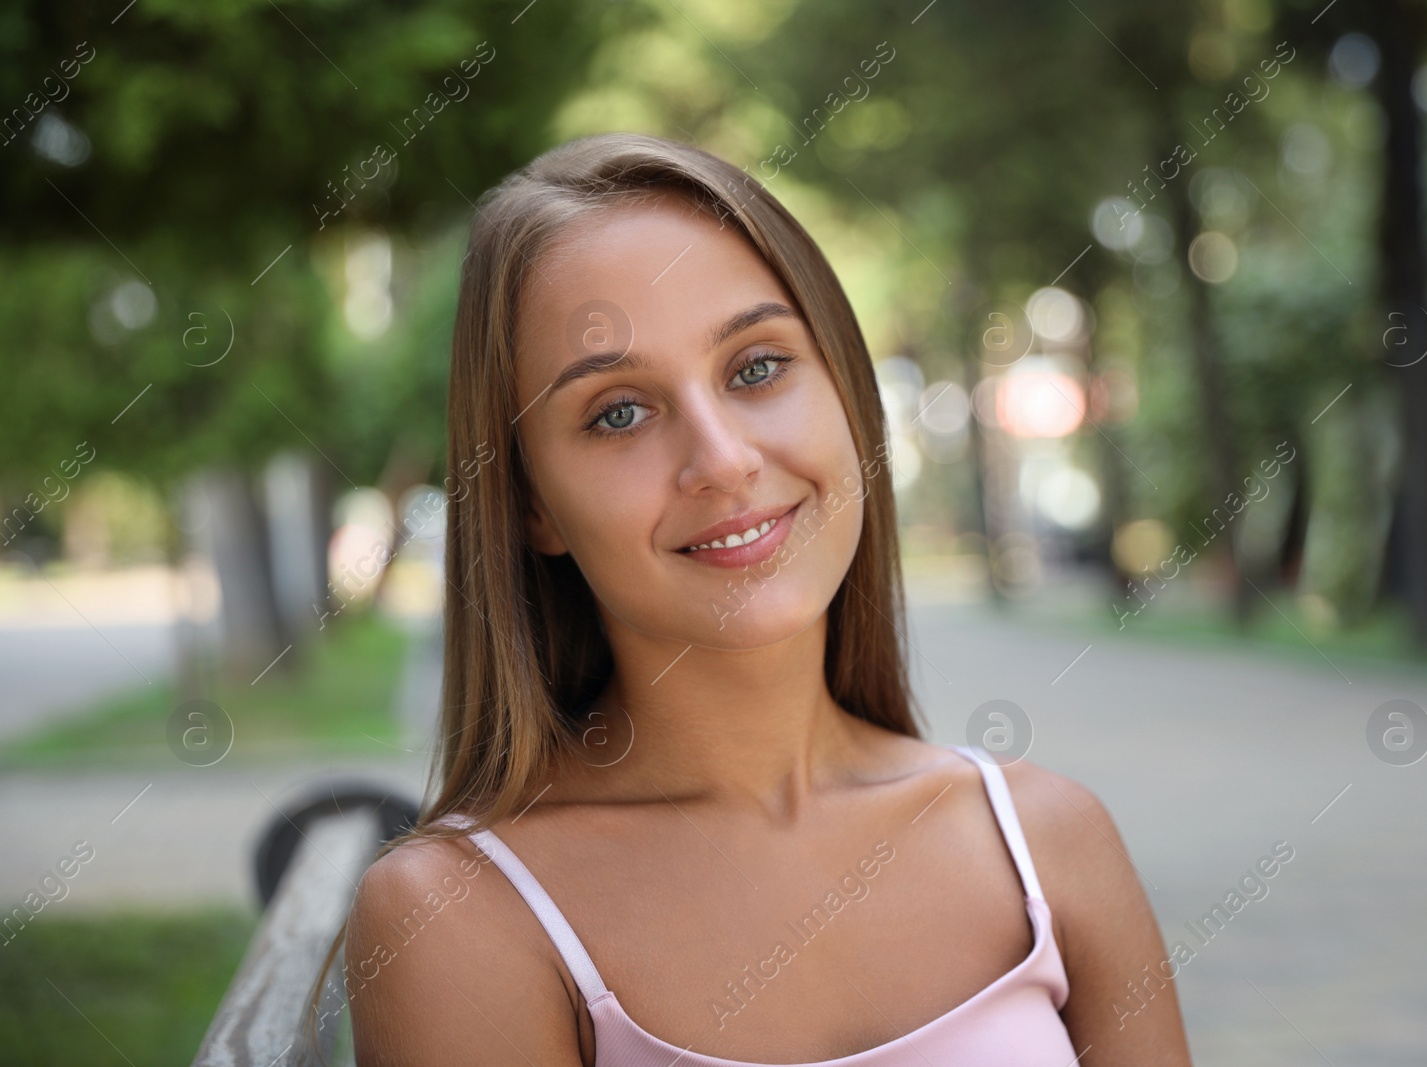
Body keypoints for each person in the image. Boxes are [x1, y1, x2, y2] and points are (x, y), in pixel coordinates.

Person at [339, 132, 1192, 1065]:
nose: (723, 459)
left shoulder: (1047, 842)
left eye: (756, 367)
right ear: (532, 503)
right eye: (618, 411)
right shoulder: (459, 913)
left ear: (846, 392)